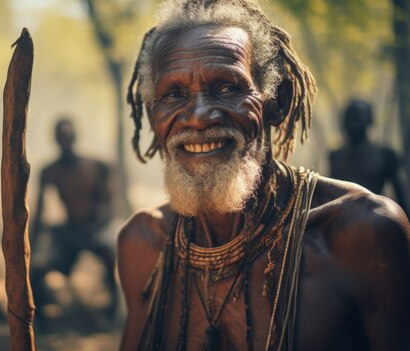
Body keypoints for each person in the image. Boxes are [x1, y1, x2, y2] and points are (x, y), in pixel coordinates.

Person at [118, 0, 410, 350]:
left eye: (227, 88)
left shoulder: (361, 233)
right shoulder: (143, 245)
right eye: (174, 94)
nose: (197, 116)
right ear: (154, 118)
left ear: (278, 101)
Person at [30, 118, 118, 325]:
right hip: (68, 231)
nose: (65, 141)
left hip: (94, 228)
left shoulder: (97, 166)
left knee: (110, 254)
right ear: (56, 140)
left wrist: (89, 230)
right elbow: (40, 212)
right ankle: (42, 319)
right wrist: (31, 246)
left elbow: (108, 207)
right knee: (38, 268)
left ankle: (111, 313)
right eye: (61, 137)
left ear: (75, 137)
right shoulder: (50, 171)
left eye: (68, 136)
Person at [330, 99, 407, 213]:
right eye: (349, 118)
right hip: (341, 222)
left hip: (375, 220)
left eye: (358, 117)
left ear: (370, 120)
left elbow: (402, 198)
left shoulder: (385, 155)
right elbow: (330, 195)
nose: (353, 123)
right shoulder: (336, 156)